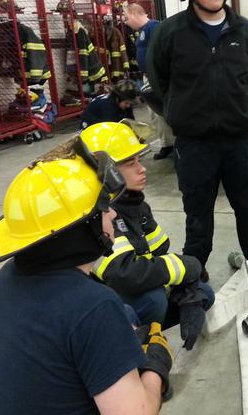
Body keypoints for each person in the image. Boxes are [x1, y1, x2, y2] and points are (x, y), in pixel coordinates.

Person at [0, 152, 173, 413]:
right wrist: (157, 364)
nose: (112, 213)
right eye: (103, 207)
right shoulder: (92, 305)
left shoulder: (8, 277)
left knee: (127, 312)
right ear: (83, 227)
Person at [146, 0, 248, 293]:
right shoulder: (170, 34)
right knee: (197, 215)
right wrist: (186, 112)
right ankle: (194, 271)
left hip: (239, 141)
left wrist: (237, 110)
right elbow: (160, 83)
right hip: (195, 144)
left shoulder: (244, 31)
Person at [80, 121, 215, 351]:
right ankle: (138, 350)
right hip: (102, 303)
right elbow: (124, 274)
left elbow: (160, 253)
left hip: (129, 290)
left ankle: (150, 328)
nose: (142, 169)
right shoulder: (99, 216)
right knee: (153, 299)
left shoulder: (135, 205)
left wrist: (188, 290)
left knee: (204, 293)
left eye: (139, 161)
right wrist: (185, 267)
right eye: (130, 163)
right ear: (105, 172)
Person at [125, 3, 174, 161]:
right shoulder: (143, 32)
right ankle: (168, 144)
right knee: (156, 115)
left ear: (133, 14)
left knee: (163, 112)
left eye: (126, 18)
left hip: (158, 78)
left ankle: (174, 145)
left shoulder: (155, 28)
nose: (126, 22)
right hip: (150, 76)